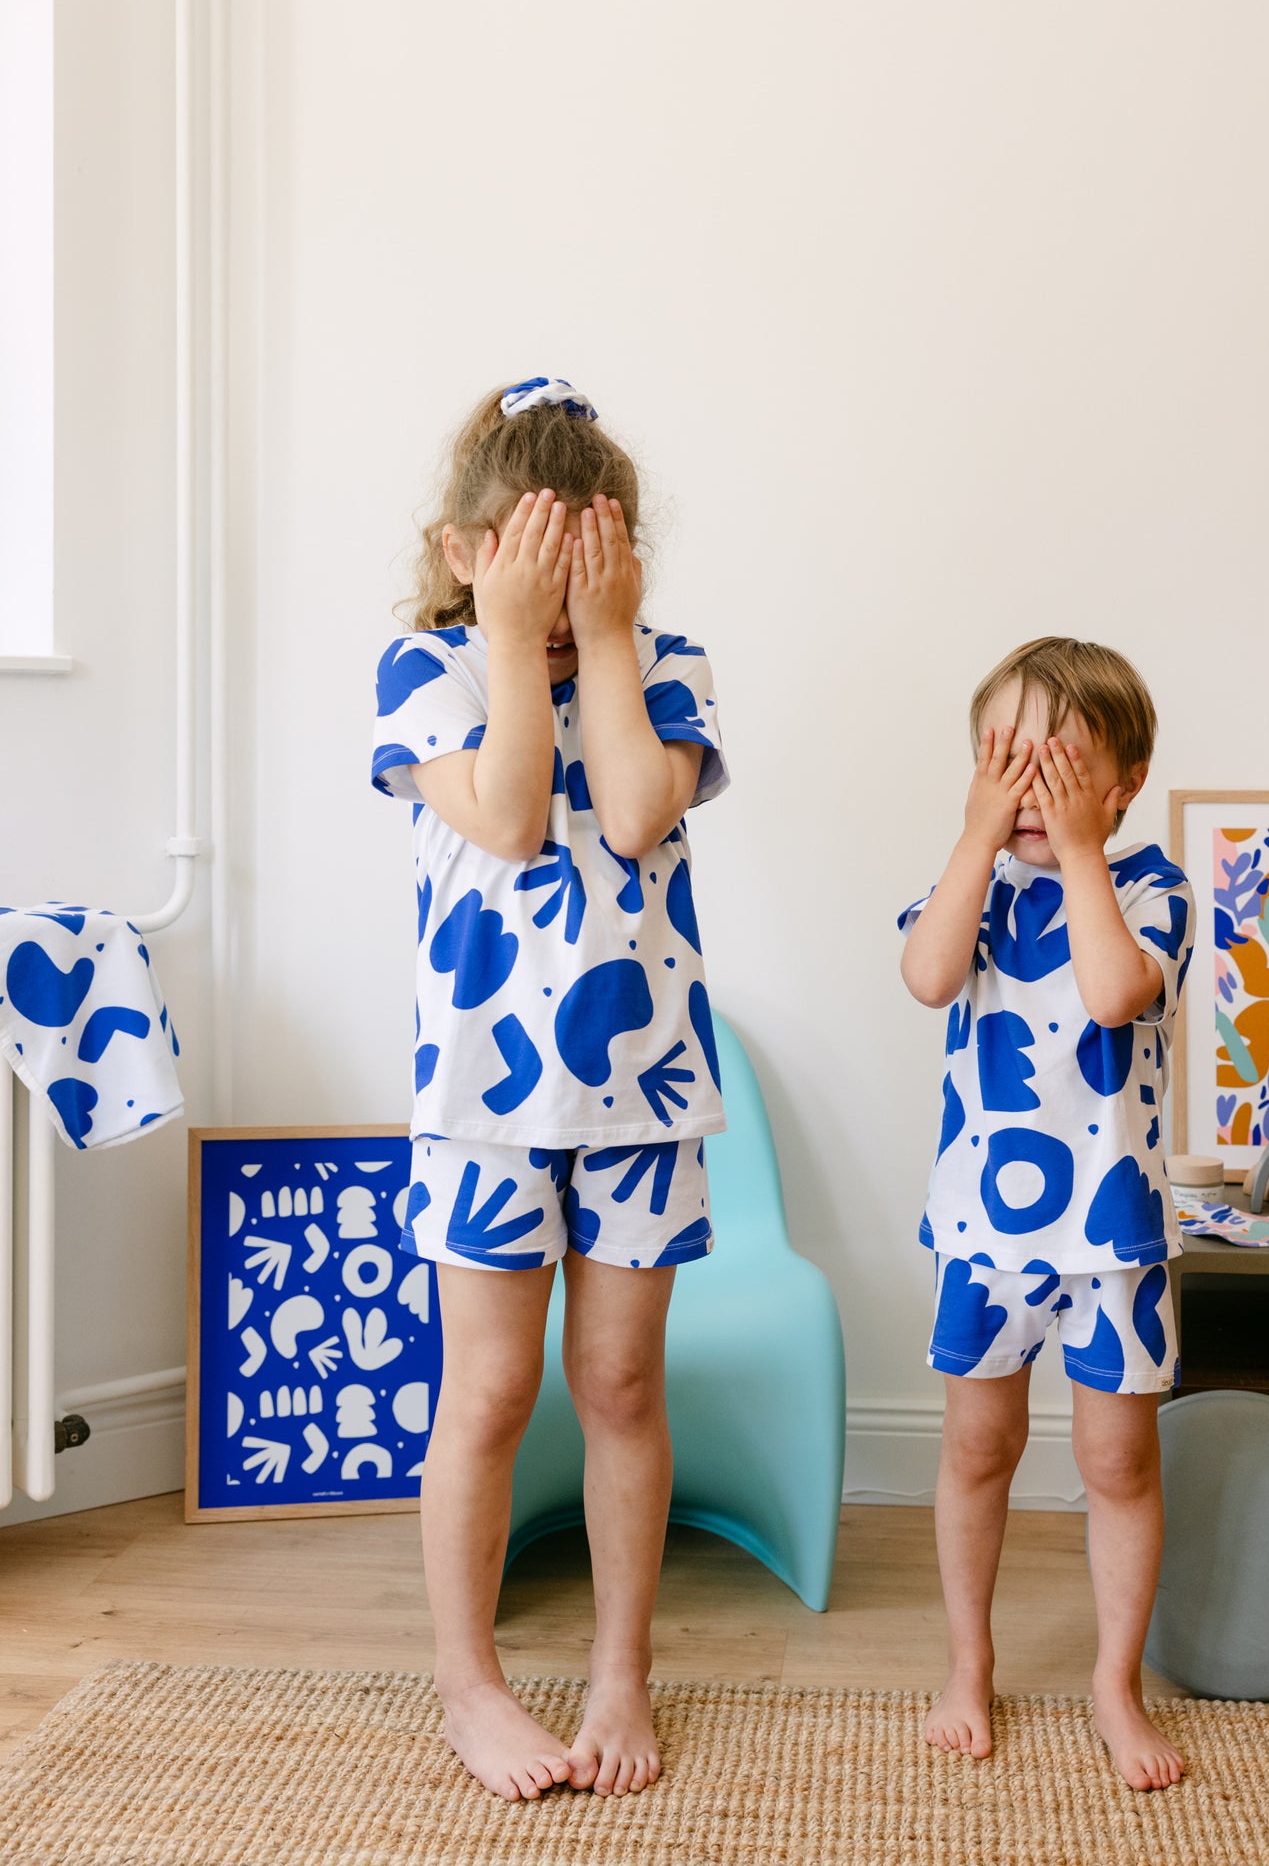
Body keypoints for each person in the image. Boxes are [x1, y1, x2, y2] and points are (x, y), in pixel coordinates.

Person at [371, 377, 728, 1802]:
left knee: (621, 1383)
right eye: (533, 559)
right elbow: (515, 819)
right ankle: (468, 1683)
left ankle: (620, 1670)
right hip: (483, 1103)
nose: (566, 594)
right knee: (490, 1389)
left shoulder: (669, 663)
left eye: (593, 559)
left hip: (645, 1096)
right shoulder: (427, 673)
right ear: (464, 551)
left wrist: (611, 635)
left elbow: (634, 813)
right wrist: (513, 636)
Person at [899, 637, 1195, 1791]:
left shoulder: (1151, 891)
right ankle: (966, 1665)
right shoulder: (970, 889)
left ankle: (1113, 1684)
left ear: (1122, 785)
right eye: (1007, 763)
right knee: (977, 1448)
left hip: (1112, 1240)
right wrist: (976, 837)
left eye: (1060, 767)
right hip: (983, 1238)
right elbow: (927, 976)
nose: (1031, 791)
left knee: (1116, 1461)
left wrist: (1078, 855)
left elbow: (1114, 991)